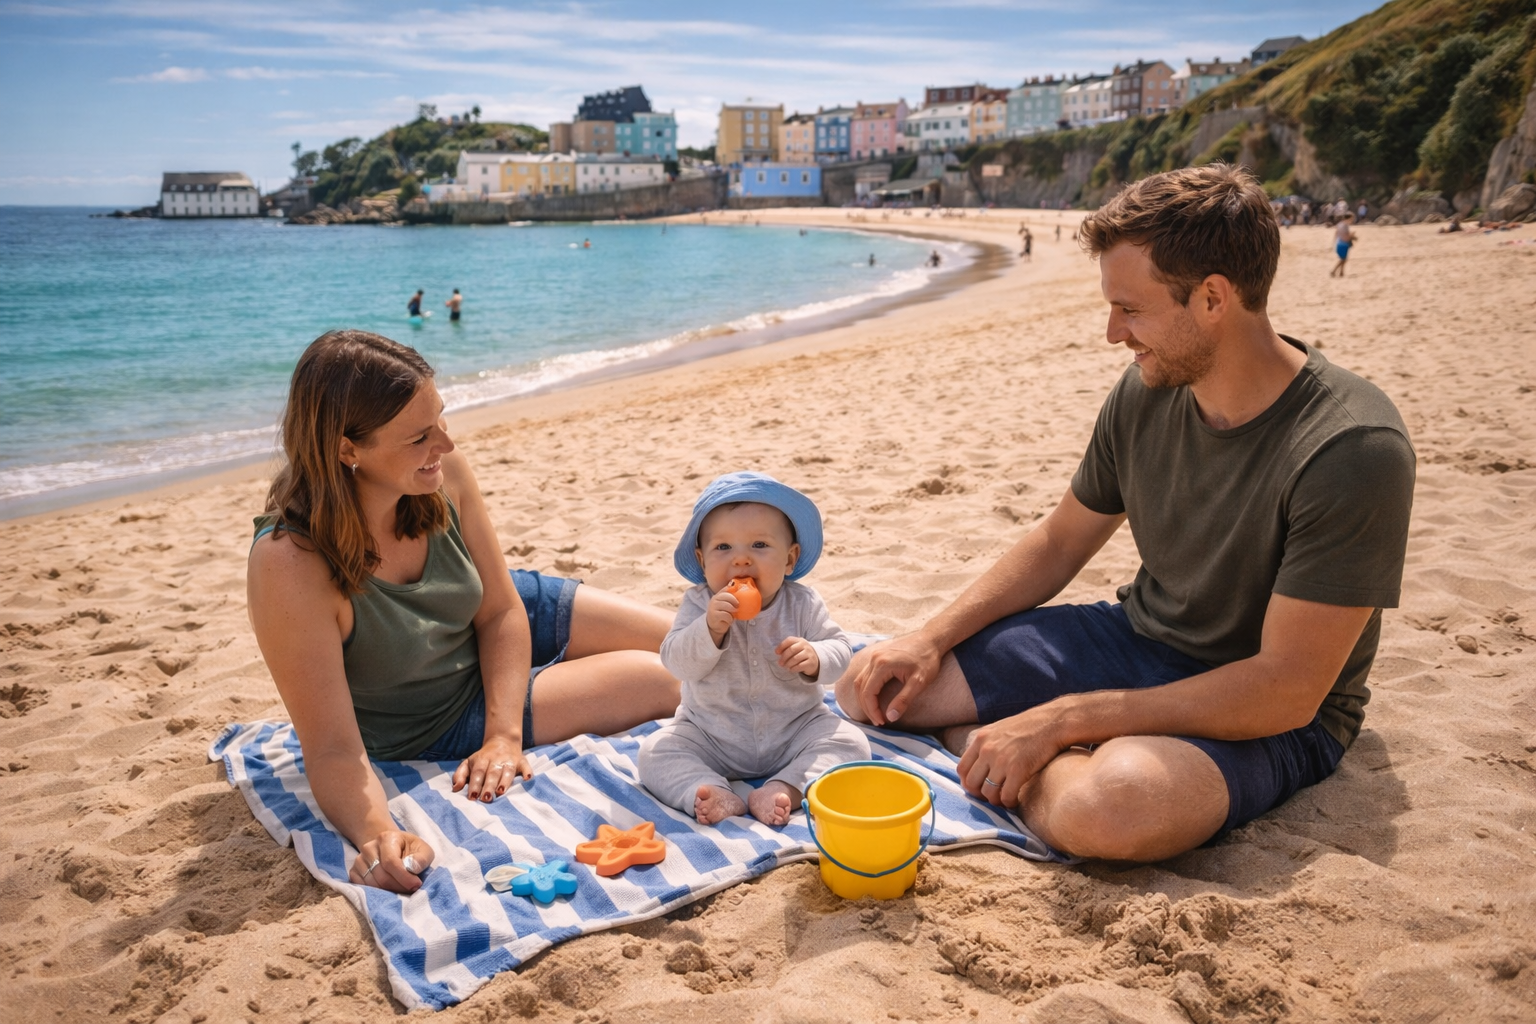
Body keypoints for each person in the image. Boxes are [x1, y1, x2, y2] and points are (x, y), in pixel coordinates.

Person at [836, 164, 1415, 863]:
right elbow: (1058, 542)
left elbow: (1286, 688)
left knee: (1112, 810)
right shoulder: (1147, 390)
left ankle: (1021, 754)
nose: (1114, 334)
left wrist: (1061, 721)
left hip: (1266, 707)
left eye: (1131, 309)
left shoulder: (1351, 447)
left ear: (1211, 298)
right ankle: (1022, 755)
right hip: (1135, 638)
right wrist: (929, 639)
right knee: (877, 690)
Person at [247, 330, 681, 892]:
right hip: (440, 710)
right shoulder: (291, 564)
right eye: (420, 436)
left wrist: (504, 737)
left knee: (690, 640)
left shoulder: (441, 475)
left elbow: (500, 611)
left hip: (490, 612)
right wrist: (380, 832)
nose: (446, 446)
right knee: (665, 678)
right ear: (346, 449)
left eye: (442, 420)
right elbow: (331, 748)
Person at [639, 473, 868, 827]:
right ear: (702, 561)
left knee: (852, 743)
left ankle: (783, 787)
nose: (741, 560)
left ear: (790, 559)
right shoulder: (699, 604)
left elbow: (840, 650)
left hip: (795, 731)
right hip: (710, 735)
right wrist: (708, 630)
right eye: (723, 548)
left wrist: (816, 657)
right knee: (654, 752)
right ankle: (711, 790)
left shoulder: (802, 603)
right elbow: (675, 661)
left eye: (759, 545)